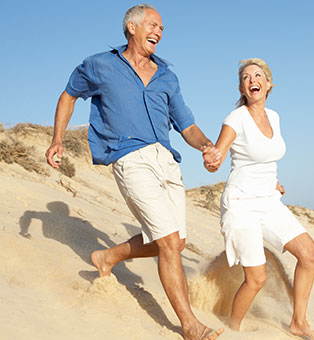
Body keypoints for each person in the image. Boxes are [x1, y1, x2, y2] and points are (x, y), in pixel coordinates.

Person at [45, 4, 223, 340]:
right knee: (169, 242)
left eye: (162, 28)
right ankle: (189, 325)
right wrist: (57, 140)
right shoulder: (100, 65)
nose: (159, 31)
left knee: (176, 241)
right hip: (129, 157)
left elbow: (187, 125)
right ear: (132, 26)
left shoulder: (167, 75)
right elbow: (68, 96)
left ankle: (108, 256)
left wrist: (207, 146)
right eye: (153, 25)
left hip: (166, 161)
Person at [203, 58, 314, 340]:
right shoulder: (235, 119)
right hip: (241, 204)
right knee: (256, 279)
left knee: (309, 254)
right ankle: (233, 331)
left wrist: (273, 182)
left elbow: (265, 157)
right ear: (241, 87)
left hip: (268, 201)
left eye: (257, 75)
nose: (251, 80)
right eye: (246, 77)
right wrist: (212, 159)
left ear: (268, 84)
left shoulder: (275, 117)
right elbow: (219, 155)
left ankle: (298, 322)